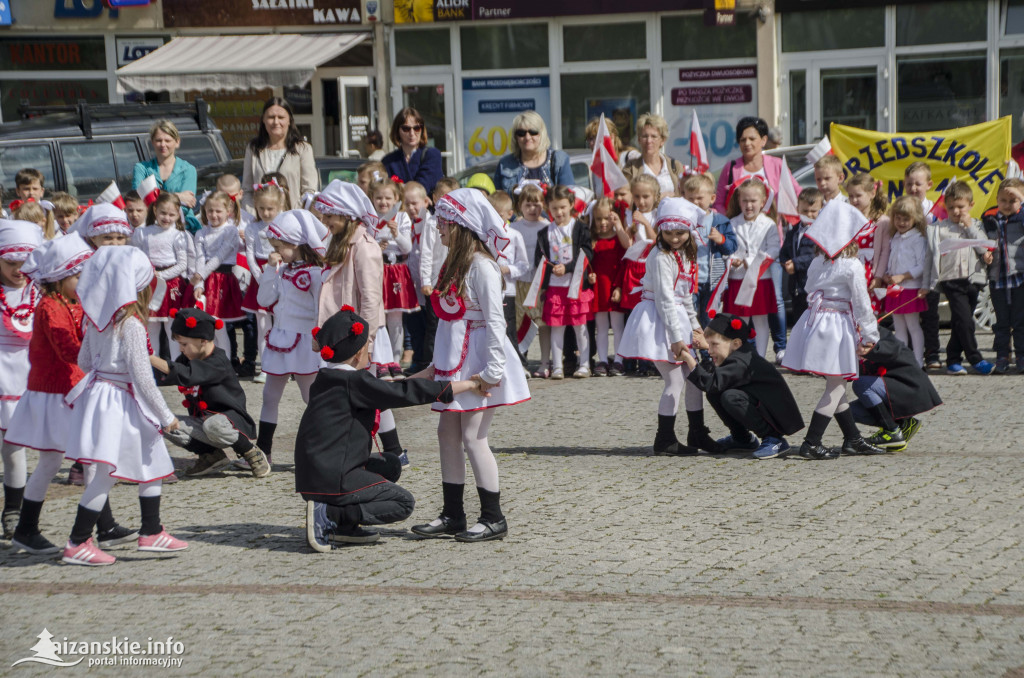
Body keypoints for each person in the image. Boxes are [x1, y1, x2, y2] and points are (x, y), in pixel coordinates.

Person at [299, 309, 483, 551]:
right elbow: (402, 395)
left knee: (391, 464)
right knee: (402, 502)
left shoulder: (328, 377)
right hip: (333, 475)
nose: (372, 348)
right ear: (358, 354)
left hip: (314, 472)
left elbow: (383, 391)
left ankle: (344, 527)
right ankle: (333, 514)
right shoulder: (354, 382)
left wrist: (423, 376)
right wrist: (469, 384)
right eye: (369, 344)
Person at [411, 188, 531, 543]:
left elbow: (496, 322)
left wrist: (493, 372)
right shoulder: (455, 265)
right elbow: (451, 321)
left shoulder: (482, 267)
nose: (439, 230)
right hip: (454, 359)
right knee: (445, 433)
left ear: (462, 226)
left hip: (479, 361)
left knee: (473, 436)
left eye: (444, 224)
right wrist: (438, 364)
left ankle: (493, 517)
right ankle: (453, 513)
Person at [7, 234, 134, 554]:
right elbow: (69, 350)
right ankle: (26, 528)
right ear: (59, 278)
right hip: (54, 395)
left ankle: (103, 526)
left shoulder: (71, 303)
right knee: (52, 462)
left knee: (88, 458)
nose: (84, 283)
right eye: (78, 277)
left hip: (70, 390)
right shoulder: (50, 308)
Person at [62, 247, 188, 566]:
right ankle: (77, 541)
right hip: (117, 399)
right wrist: (166, 416)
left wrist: (106, 371)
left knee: (151, 456)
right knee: (105, 474)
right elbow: (143, 378)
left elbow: (84, 361)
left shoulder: (97, 322)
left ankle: (152, 530)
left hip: (103, 395)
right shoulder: (130, 325)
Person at [781, 200, 886, 460]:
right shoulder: (852, 266)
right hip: (836, 325)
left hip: (816, 322)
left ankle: (853, 438)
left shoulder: (818, 262)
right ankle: (812, 442)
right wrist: (871, 335)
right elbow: (862, 304)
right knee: (837, 385)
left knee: (835, 382)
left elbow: (808, 291)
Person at [315, 180, 410, 466]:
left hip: (358, 334)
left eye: (330, 215)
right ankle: (392, 449)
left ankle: (378, 450)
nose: (326, 220)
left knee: (364, 391)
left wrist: (365, 341)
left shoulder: (365, 247)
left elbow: (371, 298)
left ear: (346, 215)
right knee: (363, 392)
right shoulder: (338, 243)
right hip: (341, 330)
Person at [615, 198, 708, 456]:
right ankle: (664, 438)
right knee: (676, 379)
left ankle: (697, 432)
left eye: (680, 233)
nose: (675, 238)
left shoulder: (684, 254)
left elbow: (685, 295)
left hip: (674, 318)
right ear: (661, 230)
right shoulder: (660, 256)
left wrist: (696, 326)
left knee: (692, 379)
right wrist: (677, 339)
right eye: (669, 233)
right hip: (658, 320)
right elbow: (666, 299)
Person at [153, 308, 269, 478]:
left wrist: (150, 357)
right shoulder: (187, 358)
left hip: (228, 421)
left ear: (203, 340)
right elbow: (170, 375)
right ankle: (212, 456)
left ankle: (250, 451)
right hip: (203, 420)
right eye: (179, 344)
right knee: (162, 420)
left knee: (213, 425)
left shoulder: (218, 361)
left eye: (184, 344)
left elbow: (187, 374)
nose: (181, 349)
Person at [679, 312, 804, 459]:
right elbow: (715, 384)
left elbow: (711, 384)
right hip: (761, 404)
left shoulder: (740, 361)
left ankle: (774, 439)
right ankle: (742, 439)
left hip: (777, 415)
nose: (710, 350)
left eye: (714, 345)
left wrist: (689, 359)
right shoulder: (738, 351)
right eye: (709, 344)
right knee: (717, 393)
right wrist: (708, 344)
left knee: (729, 396)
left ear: (736, 343)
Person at [255, 210, 324, 464]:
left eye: (278, 247)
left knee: (311, 398)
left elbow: (320, 308)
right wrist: (269, 270)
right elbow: (264, 300)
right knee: (269, 396)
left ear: (295, 244)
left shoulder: (316, 273)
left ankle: (319, 450)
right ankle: (264, 452)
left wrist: (320, 337)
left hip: (306, 342)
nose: (275, 252)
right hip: (280, 340)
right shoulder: (280, 270)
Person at [0, 220, 44, 540]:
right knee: (8, 447)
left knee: (16, 448)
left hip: (28, 377)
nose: (18, 270)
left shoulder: (39, 291)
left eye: (23, 263)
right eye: (10, 263)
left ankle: (14, 510)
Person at [922, 181, 994, 375]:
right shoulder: (939, 229)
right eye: (951, 207)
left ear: (970, 205)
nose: (956, 211)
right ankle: (975, 358)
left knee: (961, 322)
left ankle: (953, 360)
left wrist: (970, 227)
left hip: (973, 280)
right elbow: (931, 257)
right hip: (951, 279)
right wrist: (926, 284)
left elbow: (983, 247)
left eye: (960, 207)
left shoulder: (976, 224)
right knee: (965, 320)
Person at [851, 327, 942, 452]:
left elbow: (893, 350)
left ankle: (892, 431)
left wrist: (871, 350)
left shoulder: (877, 333)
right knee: (848, 411)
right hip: (890, 391)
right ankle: (903, 424)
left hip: (909, 387)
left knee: (861, 384)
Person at [535, 185, 594, 379]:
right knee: (557, 327)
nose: (559, 212)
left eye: (562, 207)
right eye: (554, 208)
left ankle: (584, 364)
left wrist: (567, 268)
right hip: (555, 288)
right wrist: (550, 271)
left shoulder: (580, 227)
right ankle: (558, 366)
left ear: (570, 205)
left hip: (576, 286)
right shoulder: (545, 233)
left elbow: (587, 253)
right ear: (548, 208)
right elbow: (540, 260)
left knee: (580, 326)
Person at [723, 179, 779, 357]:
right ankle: (740, 355)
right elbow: (727, 248)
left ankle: (761, 357)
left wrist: (750, 261)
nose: (749, 205)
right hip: (738, 279)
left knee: (761, 320)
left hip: (760, 279)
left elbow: (774, 249)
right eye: (745, 201)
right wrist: (732, 260)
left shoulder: (769, 224)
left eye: (753, 201)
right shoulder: (732, 223)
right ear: (738, 201)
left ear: (762, 202)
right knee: (739, 320)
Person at [132, 191, 190, 362]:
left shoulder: (178, 235)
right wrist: (146, 275)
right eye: (163, 213)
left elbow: (182, 264)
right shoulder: (143, 233)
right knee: (151, 327)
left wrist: (161, 275)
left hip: (171, 284)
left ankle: (175, 366)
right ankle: (153, 367)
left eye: (172, 214)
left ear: (178, 214)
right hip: (150, 283)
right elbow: (138, 257)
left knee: (172, 327)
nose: (167, 217)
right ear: (155, 210)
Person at [369, 177, 417, 377]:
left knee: (396, 320)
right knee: (378, 317)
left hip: (396, 270)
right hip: (376, 268)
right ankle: (380, 360)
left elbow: (408, 248)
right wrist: (374, 246)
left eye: (388, 198)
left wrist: (397, 234)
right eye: (379, 197)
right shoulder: (370, 218)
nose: (383, 202)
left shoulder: (402, 218)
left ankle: (395, 361)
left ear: (396, 198)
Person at [243, 179, 289, 381]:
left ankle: (285, 366)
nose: (266, 213)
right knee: (263, 326)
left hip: (282, 275)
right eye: (261, 208)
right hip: (260, 278)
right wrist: (262, 279)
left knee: (282, 323)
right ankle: (266, 367)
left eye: (271, 208)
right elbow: (250, 256)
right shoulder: (253, 228)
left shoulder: (285, 225)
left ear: (280, 206)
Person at [241, 97, 318, 211]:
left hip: (292, 219)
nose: (276, 122)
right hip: (261, 221)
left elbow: (309, 191)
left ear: (289, 120)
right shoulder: (253, 148)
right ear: (263, 120)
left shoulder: (303, 149)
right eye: (271, 117)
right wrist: (253, 216)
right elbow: (247, 190)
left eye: (281, 117)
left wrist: (295, 215)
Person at [682, 172, 737, 327]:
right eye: (690, 198)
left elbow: (732, 247)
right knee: (689, 315)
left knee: (709, 317)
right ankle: (690, 348)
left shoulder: (720, 221)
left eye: (699, 198)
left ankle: (708, 351)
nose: (695, 202)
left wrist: (722, 240)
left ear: (712, 199)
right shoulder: (683, 220)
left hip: (713, 279)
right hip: (690, 278)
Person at [981, 177, 1024, 374]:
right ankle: (1002, 356)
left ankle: (1021, 356)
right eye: (1003, 200)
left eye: (1012, 200)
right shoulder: (988, 218)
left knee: (1020, 320)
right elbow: (981, 241)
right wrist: (985, 254)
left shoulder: (1021, 216)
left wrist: (1021, 200)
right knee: (1001, 322)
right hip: (997, 278)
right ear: (997, 199)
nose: (1007, 205)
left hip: (1019, 277)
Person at [714, 117, 801, 214]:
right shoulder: (730, 168)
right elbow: (718, 203)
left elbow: (797, 193)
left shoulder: (777, 165)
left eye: (752, 139)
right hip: (737, 228)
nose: (747, 143)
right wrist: (727, 221)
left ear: (763, 140)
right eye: (743, 140)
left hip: (771, 227)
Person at [191, 191, 245, 349]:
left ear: (228, 212)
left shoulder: (230, 231)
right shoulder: (201, 233)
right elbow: (200, 258)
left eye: (218, 211)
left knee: (219, 327)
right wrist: (199, 284)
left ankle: (225, 363)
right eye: (210, 211)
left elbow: (220, 257)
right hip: (206, 280)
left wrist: (200, 275)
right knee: (208, 328)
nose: (214, 215)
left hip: (223, 280)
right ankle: (213, 362)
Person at [883, 196, 929, 366]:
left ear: (915, 219)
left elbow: (922, 265)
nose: (901, 222)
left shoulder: (917, 239)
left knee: (913, 326)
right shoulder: (895, 237)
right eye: (898, 218)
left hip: (910, 288)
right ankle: (902, 361)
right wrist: (888, 274)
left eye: (906, 219)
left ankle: (918, 362)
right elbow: (892, 260)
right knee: (899, 326)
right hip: (895, 288)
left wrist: (903, 276)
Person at [512, 181, 552, 375]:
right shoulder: (514, 227)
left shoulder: (548, 227)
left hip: (540, 283)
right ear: (520, 206)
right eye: (528, 204)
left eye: (536, 204)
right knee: (520, 322)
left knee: (542, 322)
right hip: (520, 282)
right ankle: (520, 362)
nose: (532, 209)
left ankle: (545, 362)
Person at [418, 177, 458, 372]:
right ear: (434, 199)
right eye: (443, 198)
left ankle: (452, 358)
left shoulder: (459, 222)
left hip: (455, 281)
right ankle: (430, 363)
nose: (448, 202)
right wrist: (426, 280)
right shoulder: (432, 222)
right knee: (434, 324)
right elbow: (425, 252)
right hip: (436, 282)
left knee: (454, 321)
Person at [132, 120, 201, 233]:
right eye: (159, 140)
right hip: (148, 226)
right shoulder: (141, 168)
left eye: (167, 140)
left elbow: (186, 205)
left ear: (177, 142)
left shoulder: (188, 170)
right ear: (152, 142)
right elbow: (139, 200)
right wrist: (177, 196)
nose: (163, 145)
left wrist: (152, 196)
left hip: (183, 227)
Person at [487, 191, 529, 370]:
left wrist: (508, 269)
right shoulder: (486, 235)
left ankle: (517, 365)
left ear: (509, 214)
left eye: (500, 214)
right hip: (490, 289)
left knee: (509, 327)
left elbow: (524, 264)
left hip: (508, 290)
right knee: (493, 327)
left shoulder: (514, 235)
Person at [588, 198, 630, 376]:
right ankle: (603, 359)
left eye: (607, 218)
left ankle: (619, 360)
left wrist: (619, 225)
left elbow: (627, 248)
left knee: (618, 325)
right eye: (598, 219)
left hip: (615, 286)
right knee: (601, 326)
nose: (603, 223)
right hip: (598, 288)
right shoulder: (593, 240)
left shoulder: (618, 239)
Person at [493, 110, 573, 194]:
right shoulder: (505, 164)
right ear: (515, 137)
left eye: (533, 132)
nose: (527, 137)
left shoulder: (558, 160)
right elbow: (497, 202)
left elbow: (568, 198)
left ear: (542, 134)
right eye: (521, 133)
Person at [845, 173, 890, 316]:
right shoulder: (849, 219)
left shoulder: (882, 221)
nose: (854, 200)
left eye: (858, 195)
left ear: (872, 193)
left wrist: (878, 276)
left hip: (870, 274)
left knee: (869, 315)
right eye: (851, 196)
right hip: (852, 272)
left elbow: (884, 251)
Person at [781, 188, 822, 321]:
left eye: (813, 211)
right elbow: (785, 251)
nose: (809, 214)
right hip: (796, 289)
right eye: (804, 211)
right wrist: (785, 262)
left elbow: (818, 256)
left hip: (815, 289)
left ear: (821, 209)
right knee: (800, 322)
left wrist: (796, 263)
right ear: (798, 209)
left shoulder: (821, 232)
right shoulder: (793, 231)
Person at [382, 108, 443, 197]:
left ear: (422, 130)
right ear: (397, 131)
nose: (412, 133)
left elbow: (422, 187)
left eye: (417, 128)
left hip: (425, 210)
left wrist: (399, 190)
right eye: (406, 129)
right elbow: (382, 190)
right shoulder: (388, 161)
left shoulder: (432, 155)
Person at [622, 113, 685, 198]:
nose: (649, 141)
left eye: (654, 136)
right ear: (639, 139)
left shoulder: (675, 166)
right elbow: (627, 197)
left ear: (662, 140)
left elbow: (685, 195)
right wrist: (661, 198)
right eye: (645, 136)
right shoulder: (631, 169)